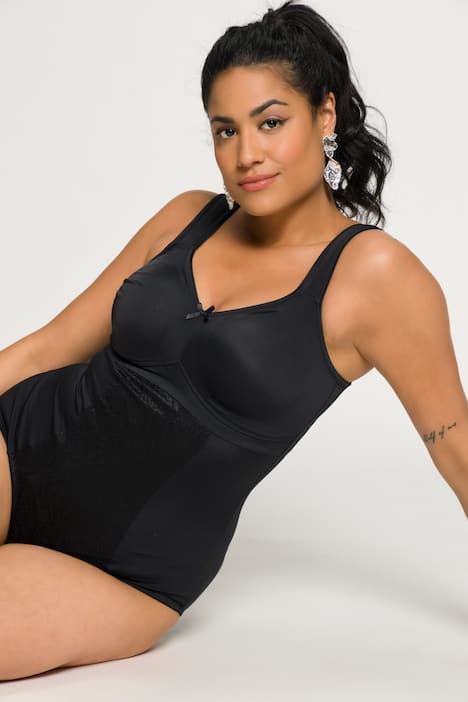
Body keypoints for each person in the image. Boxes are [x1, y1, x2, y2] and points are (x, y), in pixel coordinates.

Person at [0, 0, 467, 682]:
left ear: (325, 116)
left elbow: (458, 452)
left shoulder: (377, 278)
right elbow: (48, 349)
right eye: (226, 130)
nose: (246, 154)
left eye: (271, 122)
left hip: (129, 570)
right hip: (18, 448)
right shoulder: (187, 217)